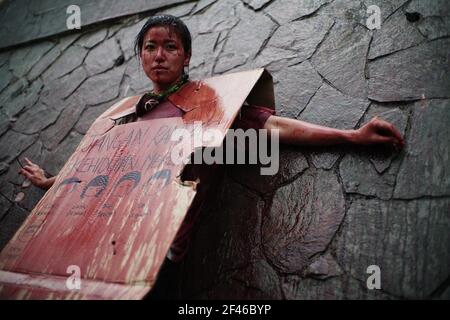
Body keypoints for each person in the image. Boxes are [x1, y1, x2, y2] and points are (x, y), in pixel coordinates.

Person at [18, 15, 404, 298]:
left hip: (166, 251)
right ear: (140, 58)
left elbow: (274, 128)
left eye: (170, 46)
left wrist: (351, 136)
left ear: (186, 56)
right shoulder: (127, 111)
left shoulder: (210, 103)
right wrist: (53, 182)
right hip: (113, 246)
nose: (158, 55)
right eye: (149, 47)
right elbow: (99, 164)